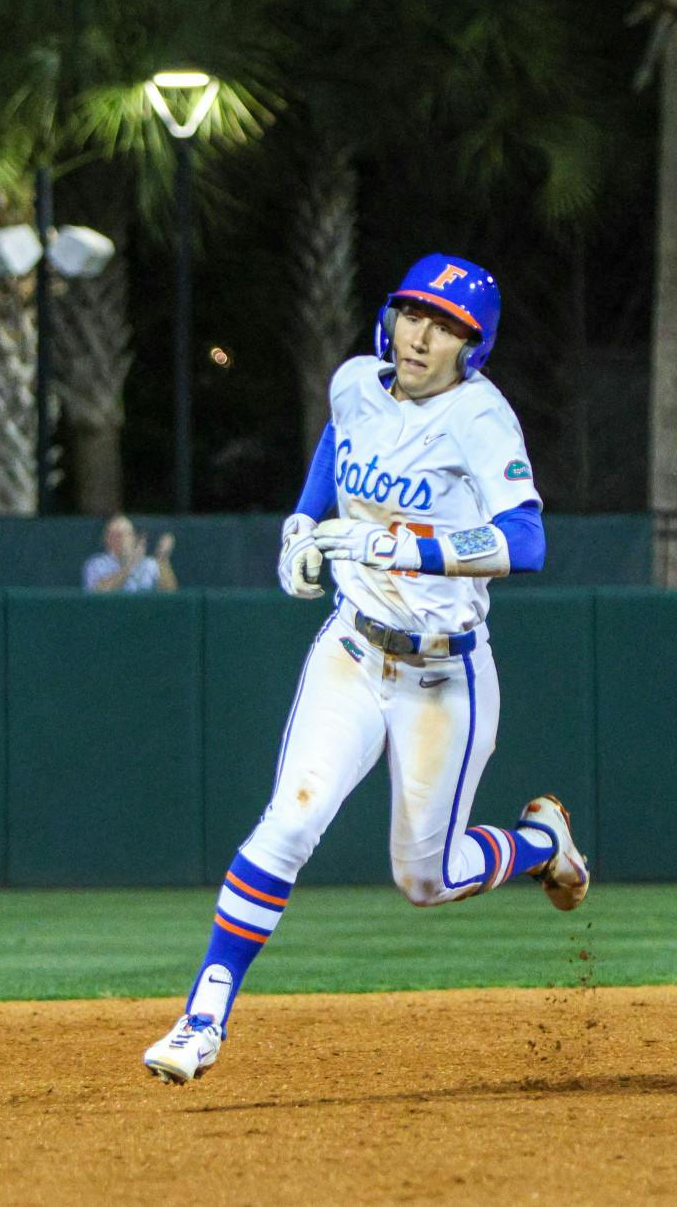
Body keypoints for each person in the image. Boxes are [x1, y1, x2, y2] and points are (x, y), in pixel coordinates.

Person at [142, 253, 589, 1085]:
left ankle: (540, 842)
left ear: (472, 346)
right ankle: (204, 1016)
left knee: (426, 877)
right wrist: (300, 523)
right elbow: (337, 444)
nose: (422, 335)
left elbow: (527, 543)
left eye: (447, 326)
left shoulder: (481, 417)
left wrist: (402, 544)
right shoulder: (356, 380)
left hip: (442, 676)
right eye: (414, 313)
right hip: (351, 648)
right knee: (288, 821)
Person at [82, 515, 178, 593]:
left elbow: (170, 591)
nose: (122, 539)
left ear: (134, 537)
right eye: (116, 535)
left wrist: (162, 557)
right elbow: (100, 592)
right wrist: (130, 565)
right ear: (107, 539)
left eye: (126, 534)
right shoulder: (96, 563)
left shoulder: (149, 564)